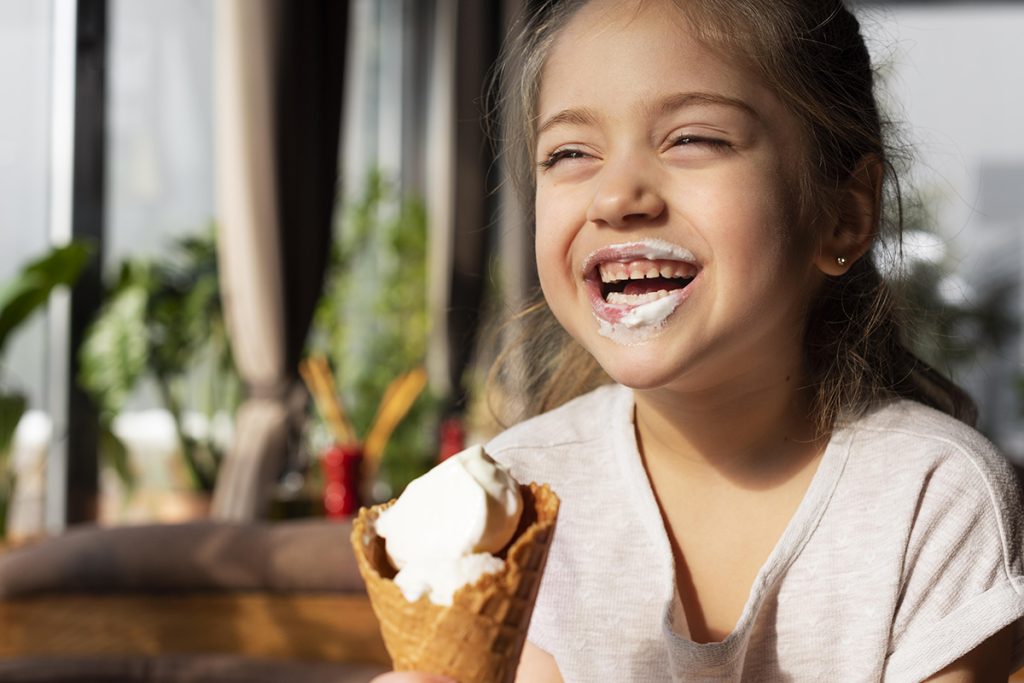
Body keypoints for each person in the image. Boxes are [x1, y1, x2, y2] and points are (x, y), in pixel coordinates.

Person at [375, 0, 1024, 680]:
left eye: (694, 139)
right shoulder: (509, 500)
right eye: (569, 152)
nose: (616, 195)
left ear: (842, 213)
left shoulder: (933, 499)